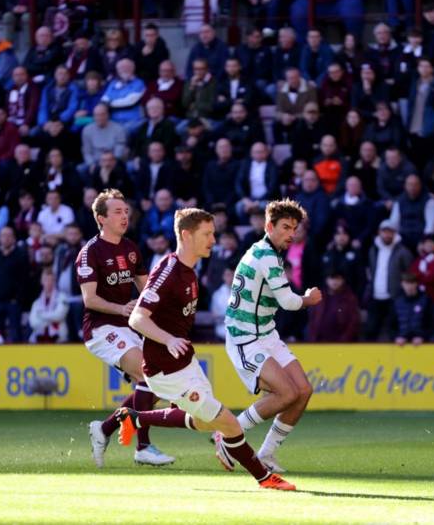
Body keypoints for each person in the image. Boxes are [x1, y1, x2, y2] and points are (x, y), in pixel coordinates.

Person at [119, 207, 296, 490]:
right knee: (230, 424)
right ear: (187, 236)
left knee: (205, 422)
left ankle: (135, 418)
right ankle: (265, 478)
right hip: (166, 369)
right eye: (207, 234)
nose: (213, 239)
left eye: (213, 233)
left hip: (184, 362)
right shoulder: (168, 271)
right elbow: (137, 318)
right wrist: (168, 340)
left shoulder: (190, 270)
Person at [224, 199, 322, 473]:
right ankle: (228, 434)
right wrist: (308, 299)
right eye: (285, 227)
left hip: (266, 333)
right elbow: (288, 301)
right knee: (287, 393)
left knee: (303, 390)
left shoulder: (270, 252)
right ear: (269, 226)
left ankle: (267, 453)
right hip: (245, 336)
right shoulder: (266, 255)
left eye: (294, 228)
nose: (291, 233)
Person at [80, 189, 174, 468]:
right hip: (100, 328)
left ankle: (105, 428)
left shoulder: (131, 248)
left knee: (156, 384)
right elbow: (90, 299)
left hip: (129, 326)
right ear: (101, 218)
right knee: (147, 373)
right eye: (118, 212)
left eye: (126, 211)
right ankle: (143, 448)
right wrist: (121, 308)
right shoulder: (90, 253)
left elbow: (147, 290)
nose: (125, 216)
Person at [366, 220, 414, 341]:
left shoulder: (403, 252)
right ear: (379, 233)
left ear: (395, 233)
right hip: (375, 296)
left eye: (390, 232)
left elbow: (409, 274)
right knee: (371, 330)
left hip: (394, 297)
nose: (387, 235)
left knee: (392, 330)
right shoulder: (373, 250)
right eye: (384, 232)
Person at [0, 226, 27, 342]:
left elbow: (24, 280)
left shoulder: (20, 255)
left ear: (14, 238)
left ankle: (18, 357)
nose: (6, 238)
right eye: (3, 235)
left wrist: (18, 298)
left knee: (15, 331)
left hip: (13, 302)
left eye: (9, 235)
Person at [307, 269, 361, 342]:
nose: (335, 281)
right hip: (319, 342)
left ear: (343, 280)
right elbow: (313, 320)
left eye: (338, 279)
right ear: (327, 280)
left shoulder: (350, 298)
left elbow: (353, 323)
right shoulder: (319, 296)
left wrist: (343, 341)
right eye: (332, 278)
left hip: (341, 343)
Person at [29, 269, 69, 343]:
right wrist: (51, 318)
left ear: (55, 281)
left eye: (51, 280)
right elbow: (33, 322)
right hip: (39, 340)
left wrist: (41, 315)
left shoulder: (62, 297)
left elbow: (59, 316)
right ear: (41, 281)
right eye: (46, 280)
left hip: (59, 340)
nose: (49, 283)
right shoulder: (37, 302)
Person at [393, 272, 433, 345]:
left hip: (421, 343)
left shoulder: (425, 300)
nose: (409, 286)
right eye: (406, 283)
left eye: (411, 283)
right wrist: (396, 337)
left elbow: (431, 324)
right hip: (401, 342)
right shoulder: (397, 301)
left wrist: (423, 337)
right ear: (402, 284)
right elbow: (391, 325)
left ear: (416, 284)